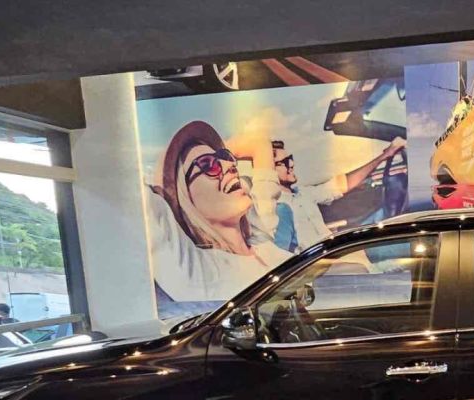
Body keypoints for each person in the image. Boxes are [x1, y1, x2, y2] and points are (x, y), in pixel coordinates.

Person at [151, 120, 295, 311]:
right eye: (208, 164)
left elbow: (265, 180)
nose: (229, 165)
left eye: (225, 156)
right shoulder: (199, 271)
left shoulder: (261, 241)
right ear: (185, 197)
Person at [268, 136, 407, 249]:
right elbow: (282, 256)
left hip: (333, 250)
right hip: (319, 263)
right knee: (401, 246)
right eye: (284, 162)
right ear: (269, 171)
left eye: (290, 158)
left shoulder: (304, 193)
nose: (292, 164)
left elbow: (342, 184)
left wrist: (384, 156)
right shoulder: (276, 208)